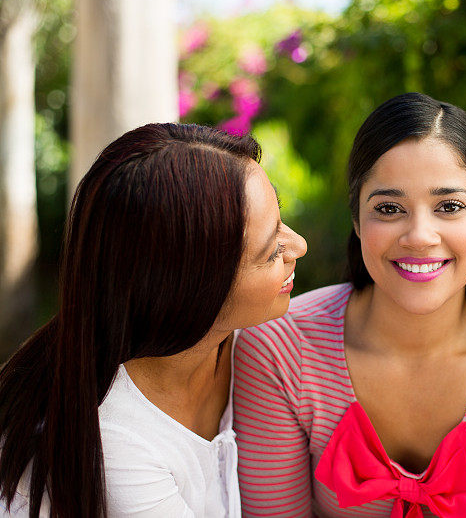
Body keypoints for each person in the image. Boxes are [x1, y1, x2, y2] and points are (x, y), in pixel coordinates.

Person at [233, 92, 466, 517]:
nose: (420, 236)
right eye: (389, 208)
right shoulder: (277, 350)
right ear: (357, 220)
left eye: (449, 207)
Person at [0, 123, 307, 517]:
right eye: (270, 250)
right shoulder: (118, 445)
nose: (299, 245)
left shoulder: (237, 342)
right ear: (193, 291)